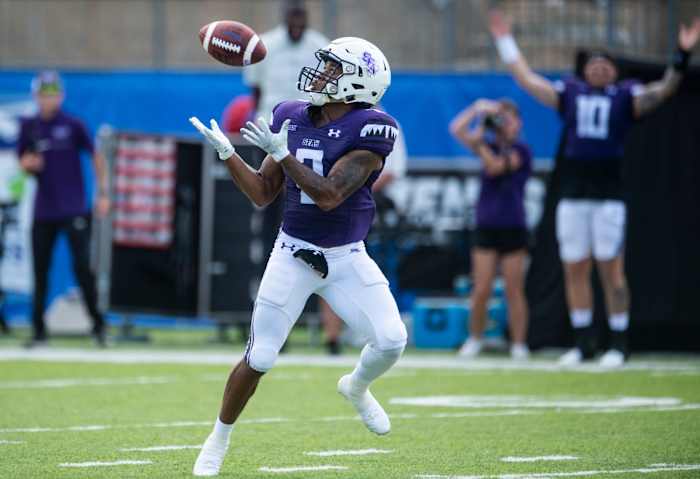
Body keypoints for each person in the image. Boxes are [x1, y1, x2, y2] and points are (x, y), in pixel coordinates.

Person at [189, 37, 407, 476]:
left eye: (332, 69)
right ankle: (218, 438)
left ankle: (357, 388)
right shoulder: (290, 114)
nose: (320, 73)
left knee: (391, 340)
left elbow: (329, 196)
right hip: (293, 252)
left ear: (357, 84)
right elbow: (261, 193)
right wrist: (229, 155)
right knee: (261, 356)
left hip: (346, 256)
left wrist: (282, 153)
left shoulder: (373, 128)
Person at [488, 11, 700, 368]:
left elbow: (664, 90)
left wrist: (682, 55)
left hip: (608, 196)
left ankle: (618, 342)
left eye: (606, 65)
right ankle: (583, 342)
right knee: (575, 268)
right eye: (594, 64)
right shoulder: (569, 94)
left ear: (615, 71)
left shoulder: (626, 97)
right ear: (584, 70)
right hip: (573, 195)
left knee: (611, 270)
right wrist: (505, 40)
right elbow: (526, 79)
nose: (600, 69)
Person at [17, 71, 110, 347]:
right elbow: (23, 160)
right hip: (43, 210)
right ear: (36, 96)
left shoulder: (72, 125)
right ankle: (38, 331)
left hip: (74, 208)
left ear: (61, 95)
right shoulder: (29, 126)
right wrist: (28, 164)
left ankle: (99, 326)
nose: (48, 99)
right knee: (40, 271)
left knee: (83, 267)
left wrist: (102, 192)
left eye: (53, 94)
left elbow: (95, 155)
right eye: (44, 94)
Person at [450, 98, 531, 360]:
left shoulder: (521, 151)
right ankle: (475, 338)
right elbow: (457, 129)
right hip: (486, 225)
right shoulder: (488, 144)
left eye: (509, 119)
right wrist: (478, 110)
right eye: (501, 118)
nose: (504, 124)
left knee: (513, 289)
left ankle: (519, 344)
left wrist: (479, 142)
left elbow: (496, 167)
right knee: (481, 288)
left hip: (513, 226)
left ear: (518, 123)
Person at [319, 115, 408, 355]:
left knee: (360, 271)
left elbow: (392, 170)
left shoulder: (384, 124)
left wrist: (352, 186)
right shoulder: (328, 119)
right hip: (327, 205)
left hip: (359, 209)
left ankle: (365, 329)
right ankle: (332, 336)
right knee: (322, 268)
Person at [243, 0, 329, 120]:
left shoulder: (321, 45)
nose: (297, 22)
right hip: (271, 117)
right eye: (293, 16)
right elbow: (256, 87)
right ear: (285, 16)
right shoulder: (264, 45)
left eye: (300, 16)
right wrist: (256, 115)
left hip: (308, 120)